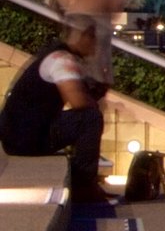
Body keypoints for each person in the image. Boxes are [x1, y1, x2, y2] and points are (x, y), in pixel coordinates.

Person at [0, 18, 109, 204]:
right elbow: (78, 101)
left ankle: (83, 179)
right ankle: (83, 184)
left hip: (19, 135)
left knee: (88, 115)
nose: (96, 47)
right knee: (90, 118)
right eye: (94, 40)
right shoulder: (62, 60)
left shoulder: (55, 55)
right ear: (83, 37)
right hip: (26, 138)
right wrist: (93, 98)